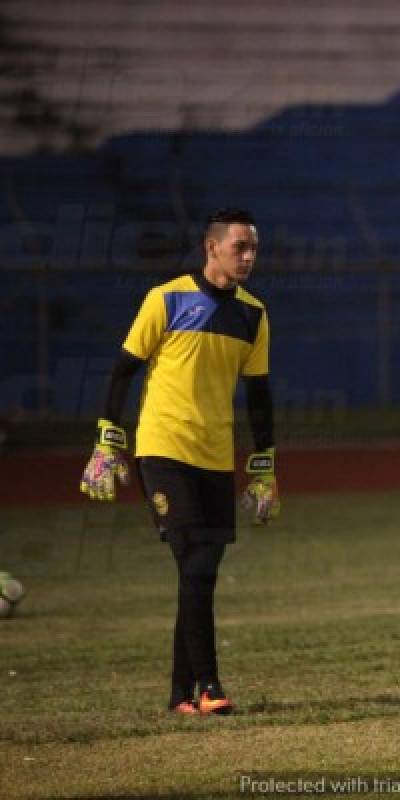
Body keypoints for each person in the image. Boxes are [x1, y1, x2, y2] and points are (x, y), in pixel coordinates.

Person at [80, 208, 279, 715]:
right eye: (240, 247)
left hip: (216, 458)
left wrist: (264, 467)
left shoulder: (253, 313)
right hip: (164, 450)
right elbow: (124, 371)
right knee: (195, 562)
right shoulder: (165, 299)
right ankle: (209, 684)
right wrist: (108, 441)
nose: (250, 257)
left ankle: (177, 695)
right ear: (211, 248)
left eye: (254, 248)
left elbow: (259, 396)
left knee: (200, 571)